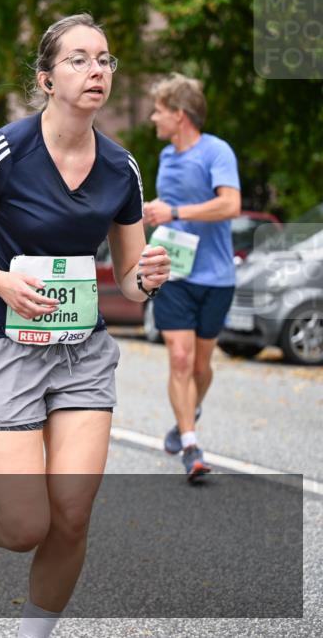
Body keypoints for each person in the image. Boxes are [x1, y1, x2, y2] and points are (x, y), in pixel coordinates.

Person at [0, 14, 170, 638]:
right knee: (26, 526)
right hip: (5, 347)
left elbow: (130, 279)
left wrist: (148, 277)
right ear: (47, 80)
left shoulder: (121, 168)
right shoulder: (5, 151)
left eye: (104, 60)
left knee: (71, 517)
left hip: (81, 352)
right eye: (79, 59)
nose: (96, 70)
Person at [144, 73, 241, 481]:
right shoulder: (166, 157)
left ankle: (189, 411)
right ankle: (190, 443)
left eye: (159, 111)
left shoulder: (217, 151)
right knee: (180, 358)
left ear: (179, 115)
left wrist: (175, 212)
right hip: (175, 273)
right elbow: (171, 207)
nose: (153, 118)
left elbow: (230, 205)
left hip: (216, 276)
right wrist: (156, 211)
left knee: (201, 366)